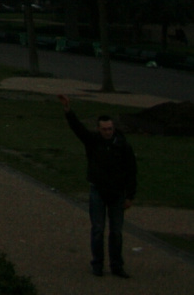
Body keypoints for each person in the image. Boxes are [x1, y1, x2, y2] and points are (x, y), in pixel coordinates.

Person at [60, 94, 138, 278]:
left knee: (116, 232)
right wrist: (68, 110)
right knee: (97, 230)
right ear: (99, 129)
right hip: (98, 190)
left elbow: (131, 171)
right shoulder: (93, 141)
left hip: (117, 192)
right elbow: (78, 129)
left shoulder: (123, 146)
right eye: (104, 129)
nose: (108, 132)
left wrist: (129, 196)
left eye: (110, 129)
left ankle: (116, 265)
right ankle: (97, 264)